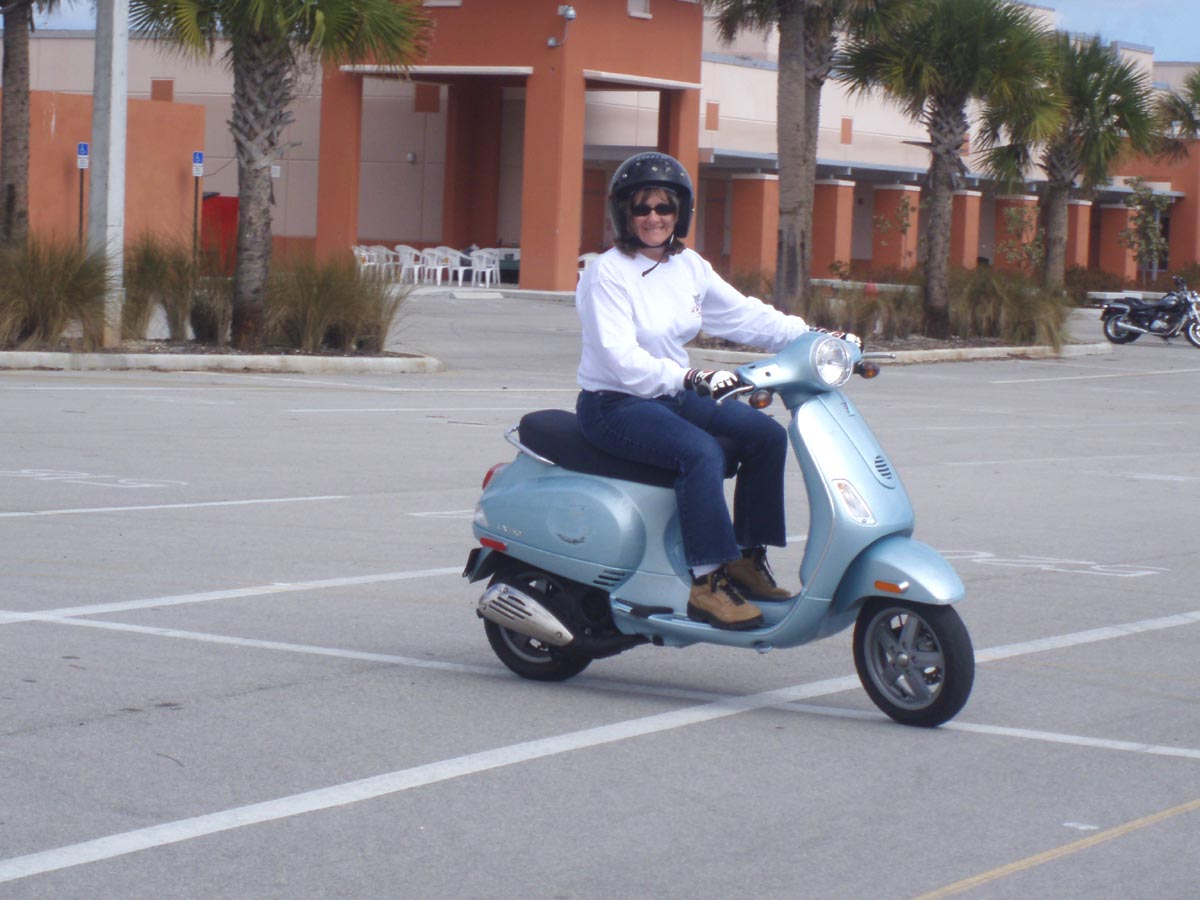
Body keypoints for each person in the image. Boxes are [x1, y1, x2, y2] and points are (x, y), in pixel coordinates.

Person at [574, 151, 857, 631]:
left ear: (680, 212)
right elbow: (621, 360)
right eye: (641, 208)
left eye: (664, 207)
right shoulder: (607, 272)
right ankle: (707, 582)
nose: (653, 218)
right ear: (624, 213)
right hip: (614, 404)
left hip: (671, 395)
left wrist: (815, 337)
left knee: (765, 436)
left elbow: (746, 316)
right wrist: (689, 378)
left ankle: (746, 557)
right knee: (700, 453)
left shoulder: (689, 266)